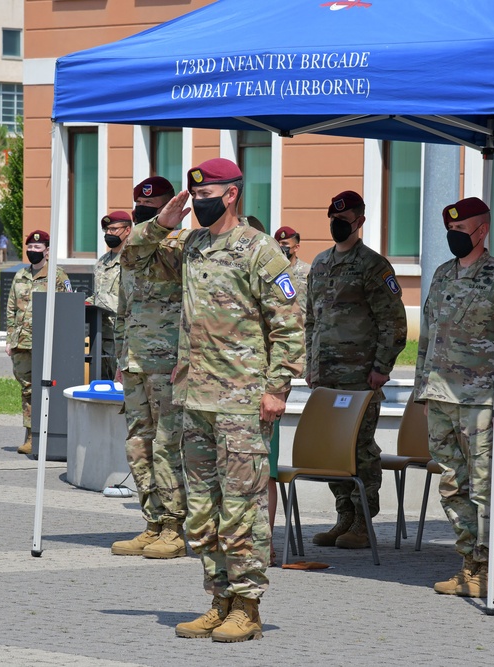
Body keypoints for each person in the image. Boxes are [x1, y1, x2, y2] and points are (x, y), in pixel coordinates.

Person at [122, 157, 304, 642]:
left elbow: (288, 324)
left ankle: (247, 605)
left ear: (231, 195)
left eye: (207, 196)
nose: (198, 203)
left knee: (241, 507)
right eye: (193, 196)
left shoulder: (259, 250)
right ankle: (218, 599)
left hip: (242, 401)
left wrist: (276, 388)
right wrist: (162, 222)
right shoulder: (190, 245)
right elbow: (132, 260)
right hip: (194, 398)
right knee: (202, 507)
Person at [413, 196, 494, 598]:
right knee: (452, 484)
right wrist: (422, 389)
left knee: (484, 486)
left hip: (484, 400)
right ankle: (469, 564)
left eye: (461, 230)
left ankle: (490, 567)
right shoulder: (442, 274)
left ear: (482, 232)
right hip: (442, 396)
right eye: (449, 230)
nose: (453, 236)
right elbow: (428, 336)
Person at [306, 194, 408, 549]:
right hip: (326, 377)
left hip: (361, 377)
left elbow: (393, 322)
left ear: (360, 220)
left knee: (361, 448)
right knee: (334, 449)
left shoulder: (373, 266)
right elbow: (309, 321)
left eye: (345, 216)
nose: (338, 222)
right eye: (333, 215)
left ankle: (363, 521)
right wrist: (311, 365)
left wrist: (381, 367)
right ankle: (343, 516)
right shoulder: (319, 264)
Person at [111, 176, 189, 560]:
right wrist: (119, 361)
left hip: (168, 364)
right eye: (139, 205)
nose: (144, 210)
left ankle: (174, 527)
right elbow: (124, 311)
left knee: (167, 445)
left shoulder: (182, 245)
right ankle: (152, 522)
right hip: (136, 362)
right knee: (138, 443)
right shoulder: (133, 247)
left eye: (154, 204)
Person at [5, 230, 72, 455]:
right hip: (21, 343)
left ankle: (50, 435)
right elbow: (11, 309)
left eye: (38, 248)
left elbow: (67, 309)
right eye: (30, 248)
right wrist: (9, 339)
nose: (33, 251)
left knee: (46, 388)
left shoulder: (58, 276)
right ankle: (31, 435)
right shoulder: (20, 275)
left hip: (46, 342)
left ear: (47, 250)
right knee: (26, 389)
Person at [267, 225, 312, 552]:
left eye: (289, 242)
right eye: (280, 242)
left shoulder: (304, 273)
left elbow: (299, 319)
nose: (285, 246)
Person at [92, 211, 132, 380]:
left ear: (127, 230)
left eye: (114, 229)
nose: (109, 233)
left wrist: (98, 300)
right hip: (100, 336)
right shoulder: (102, 261)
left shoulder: (132, 259)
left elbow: (131, 299)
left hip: (123, 337)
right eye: (107, 230)